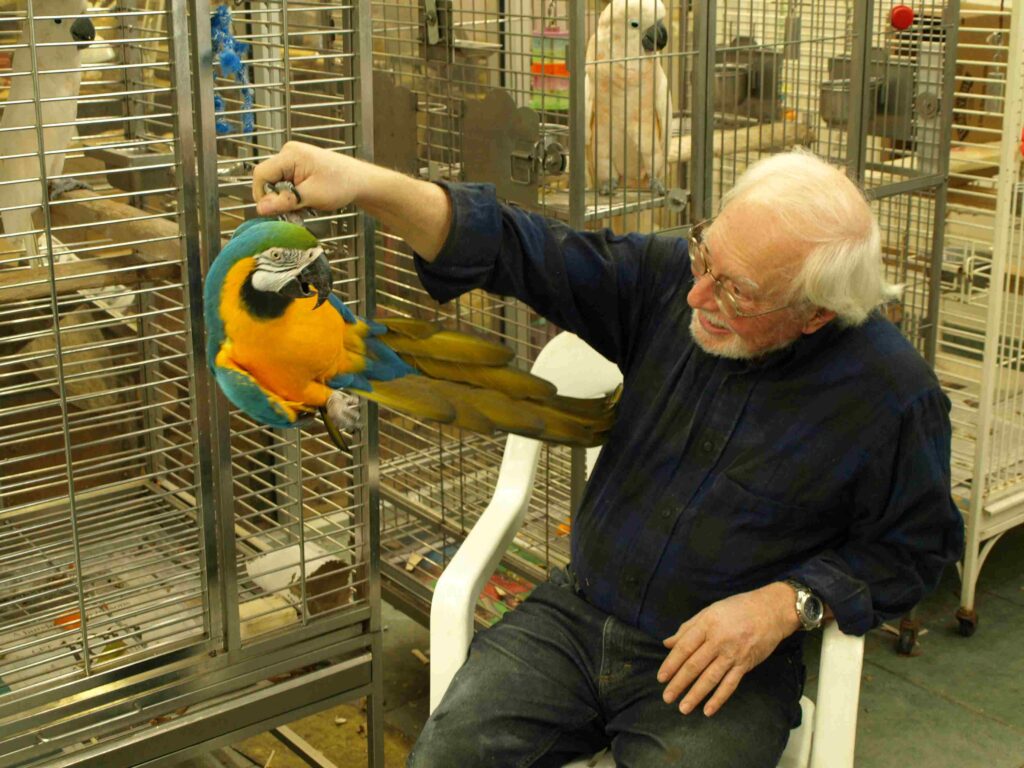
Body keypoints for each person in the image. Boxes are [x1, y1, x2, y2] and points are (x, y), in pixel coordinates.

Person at [252, 142, 964, 768]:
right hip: (580, 612)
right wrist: (363, 182)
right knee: (446, 755)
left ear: (815, 313)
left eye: (737, 291)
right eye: (704, 255)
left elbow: (916, 548)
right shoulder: (669, 287)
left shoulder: (891, 396)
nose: (698, 294)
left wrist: (787, 604)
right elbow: (515, 246)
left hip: (717, 662)